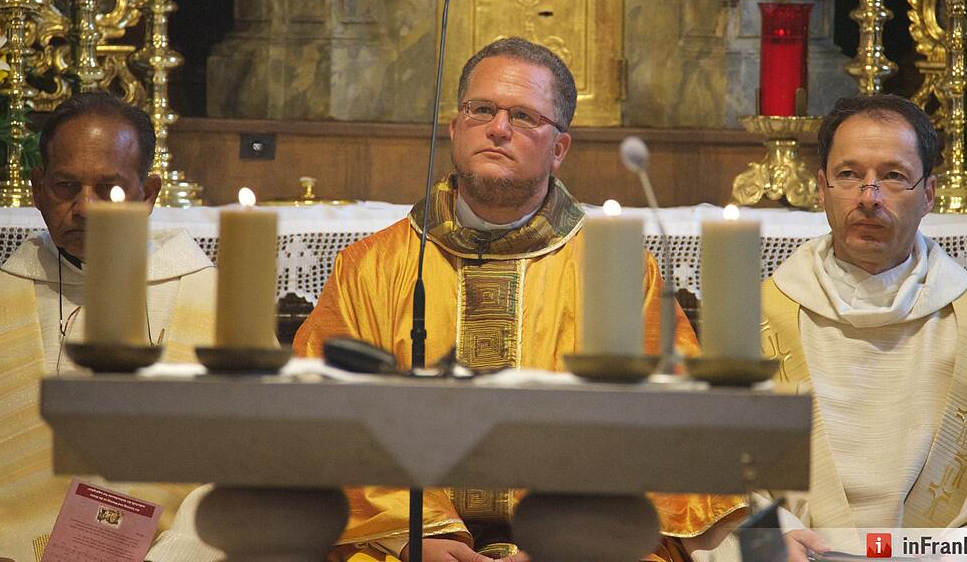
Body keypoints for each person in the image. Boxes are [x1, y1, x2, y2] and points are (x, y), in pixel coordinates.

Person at [293, 37, 745, 562]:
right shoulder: (371, 267)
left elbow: (668, 426)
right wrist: (413, 533)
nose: (499, 128)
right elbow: (327, 416)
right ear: (455, 128)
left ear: (559, 149)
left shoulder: (616, 270)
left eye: (524, 116)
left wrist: (569, 539)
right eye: (481, 109)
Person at [748, 95, 967, 560]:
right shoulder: (752, 319)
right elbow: (710, 480)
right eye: (848, 175)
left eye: (893, 176)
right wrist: (766, 535)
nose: (868, 197)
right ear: (821, 189)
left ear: (929, 193)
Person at [0, 93, 217, 562]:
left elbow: (243, 468)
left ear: (148, 193)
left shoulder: (213, 306)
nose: (83, 206)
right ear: (37, 188)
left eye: (108, 188)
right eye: (65, 185)